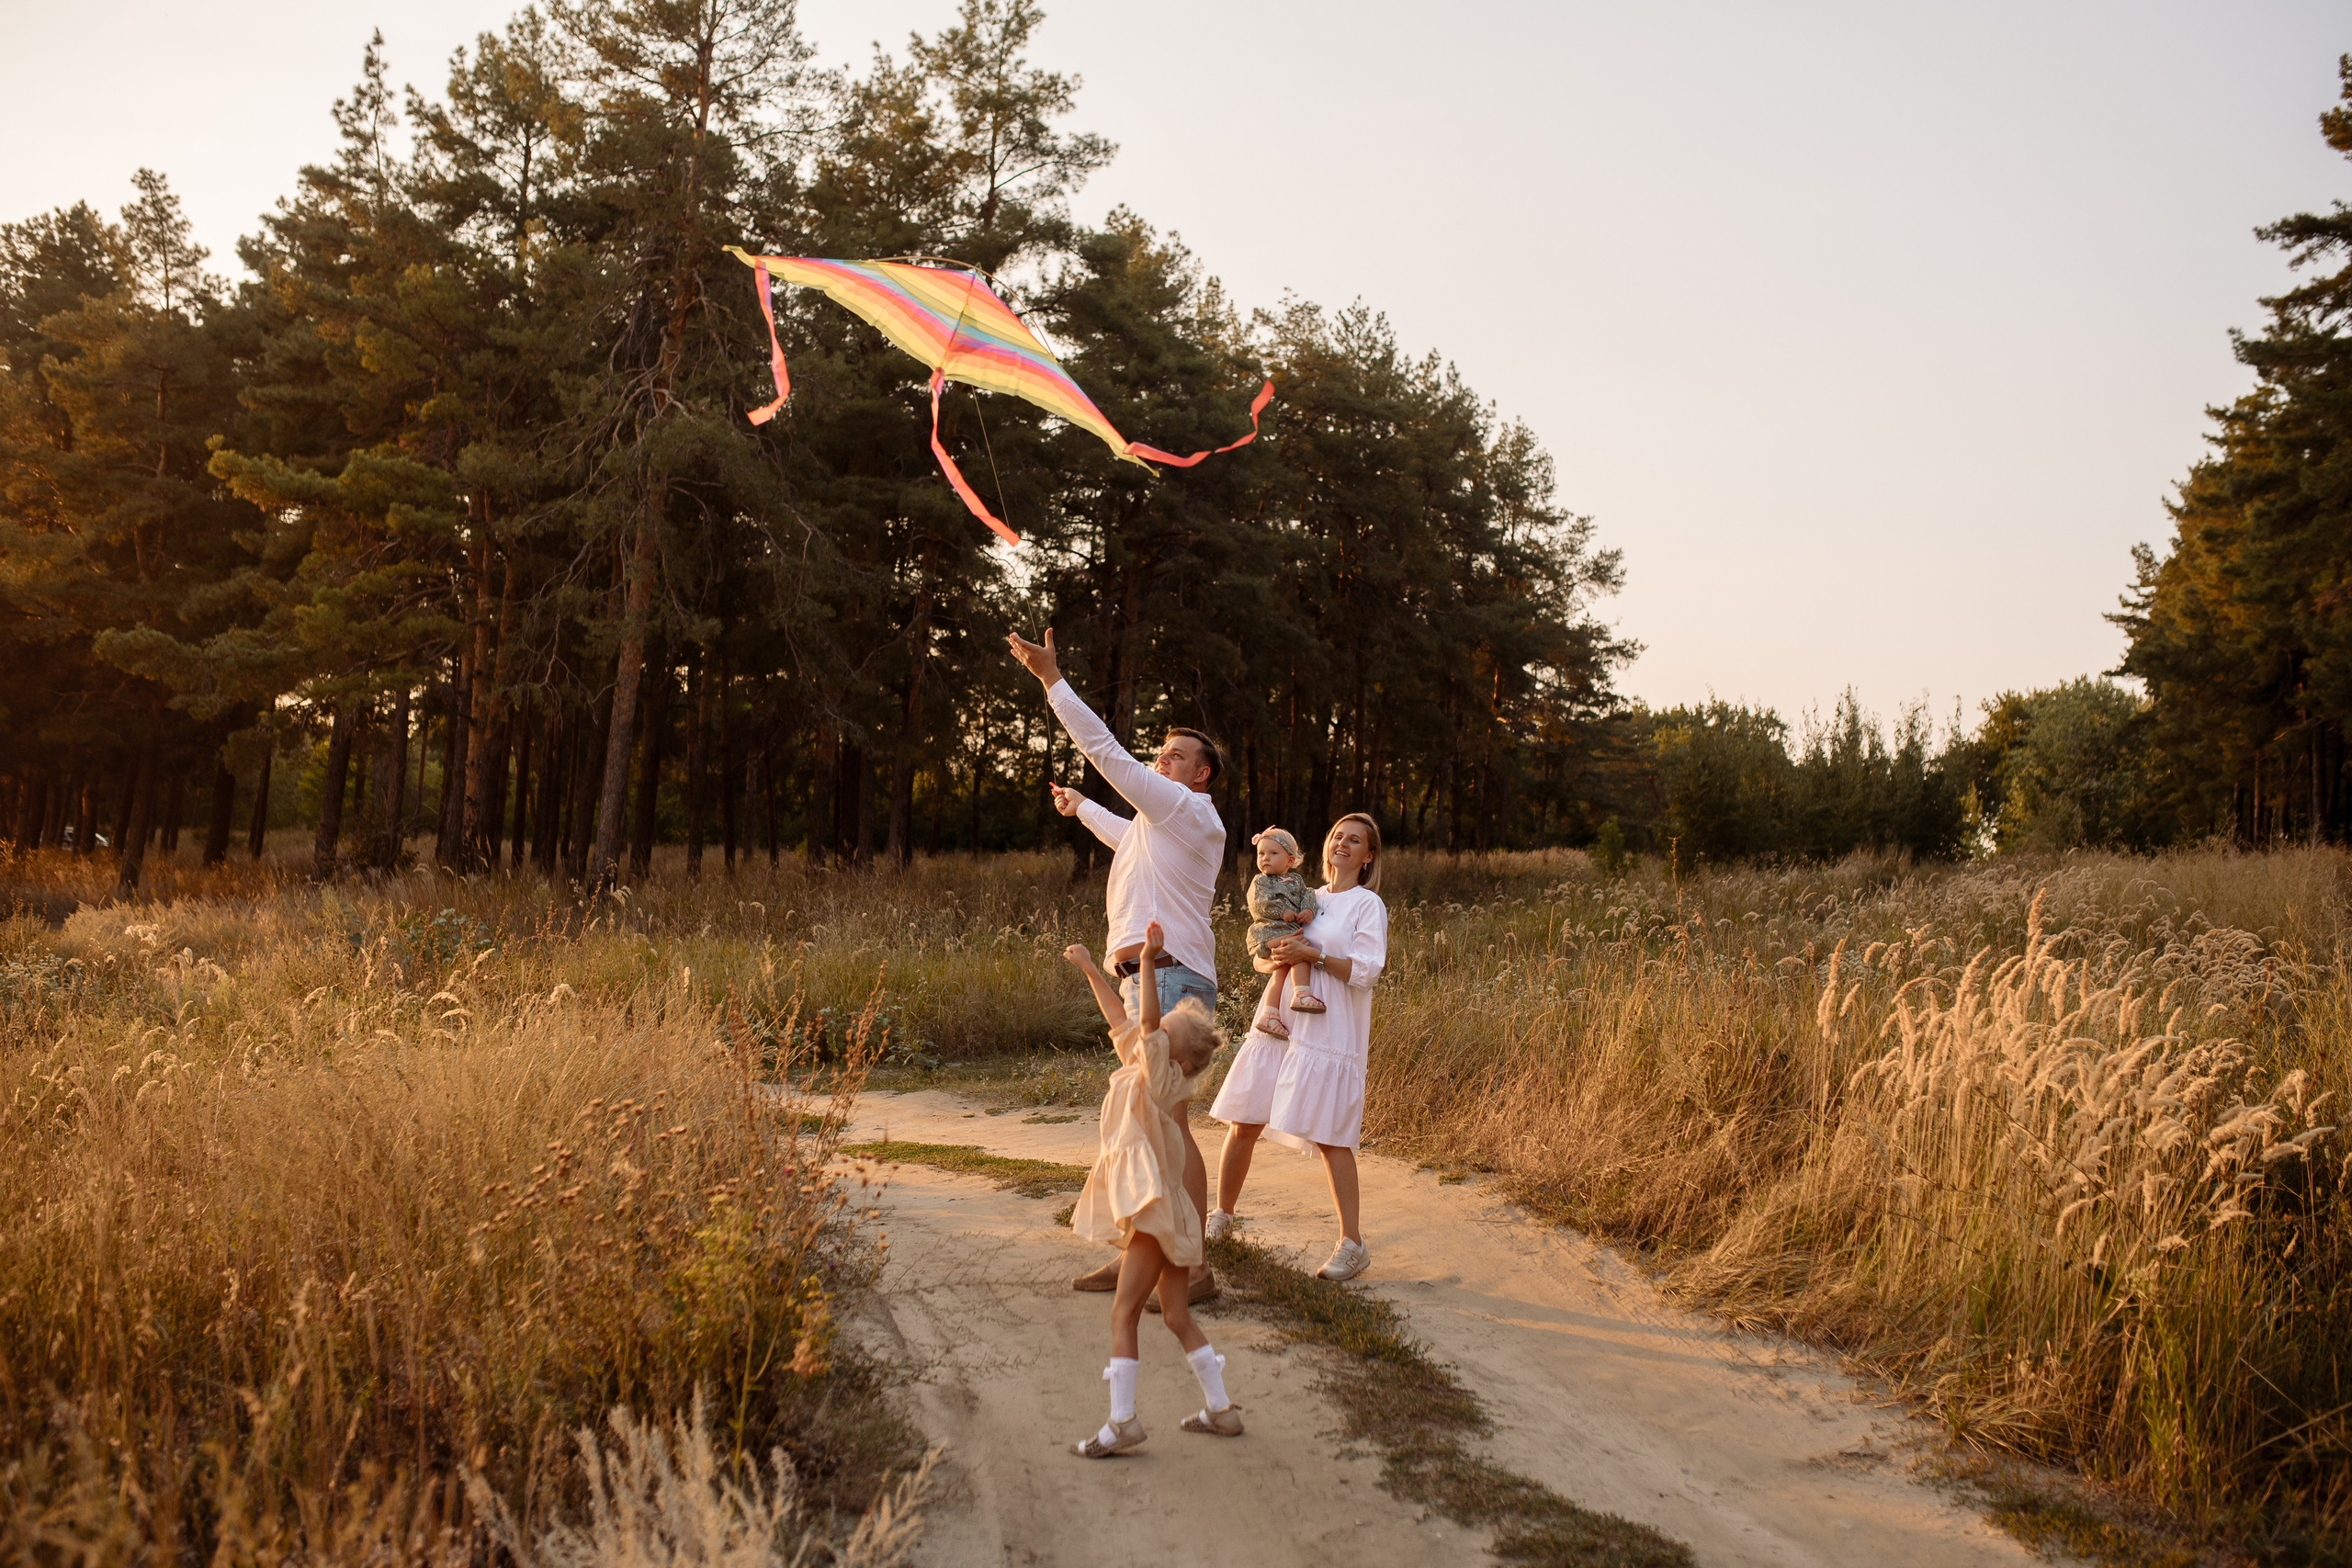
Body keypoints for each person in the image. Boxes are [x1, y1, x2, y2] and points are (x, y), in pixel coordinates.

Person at [1007, 627, 1225, 1306]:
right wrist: (1079, 808)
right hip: (1145, 980)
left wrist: (1053, 682)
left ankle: (1193, 1271)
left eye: (1175, 756)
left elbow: (1107, 755)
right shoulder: (1156, 826)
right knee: (1140, 1122)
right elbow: (1122, 830)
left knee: (1173, 1123)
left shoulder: (1192, 812)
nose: (1161, 761)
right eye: (1160, 752)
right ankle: (1139, 1251)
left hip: (1176, 979)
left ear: (1200, 773)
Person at [1060, 924, 1243, 1455]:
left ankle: (1122, 1423)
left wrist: (1145, 957)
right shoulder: (1143, 1068)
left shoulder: (1163, 1081)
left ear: (1179, 1060)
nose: (1156, 1027)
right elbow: (1120, 1019)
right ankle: (1221, 1409)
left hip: (1153, 1215)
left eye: (1167, 1030)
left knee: (1123, 1313)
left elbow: (1140, 1020)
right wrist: (1092, 969)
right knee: (1178, 1316)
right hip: (1172, 1215)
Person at [1206, 812, 1389, 1281]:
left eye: (1355, 841)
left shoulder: (1367, 905)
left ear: (1368, 856)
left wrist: (1315, 955)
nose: (1342, 845)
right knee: (1244, 1120)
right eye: (1337, 836)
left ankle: (1353, 1244)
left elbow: (1368, 971)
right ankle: (1220, 1220)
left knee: (1332, 1137)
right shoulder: (1302, 892)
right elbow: (1264, 958)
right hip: (1281, 1022)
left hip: (1329, 1032)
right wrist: (1278, 958)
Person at [1243, 828, 1319, 1040]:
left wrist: (1308, 910)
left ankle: (1270, 1013)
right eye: (1261, 854)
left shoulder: (1296, 880)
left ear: (1290, 860)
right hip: (1268, 933)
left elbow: (1308, 895)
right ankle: (1302, 994)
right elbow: (1258, 903)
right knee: (1300, 951)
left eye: (1273, 853)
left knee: (1286, 966)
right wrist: (1280, 911)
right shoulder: (1260, 881)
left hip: (1288, 932)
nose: (1265, 858)